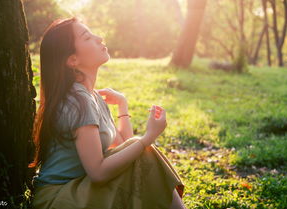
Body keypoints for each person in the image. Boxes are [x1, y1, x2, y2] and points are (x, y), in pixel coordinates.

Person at [29, 17, 186, 209]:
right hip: (58, 198)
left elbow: (125, 150)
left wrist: (122, 106)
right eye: (87, 37)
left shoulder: (91, 96)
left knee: (142, 151)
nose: (100, 38)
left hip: (79, 189)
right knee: (144, 148)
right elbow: (98, 173)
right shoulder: (78, 101)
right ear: (73, 60)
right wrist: (148, 137)